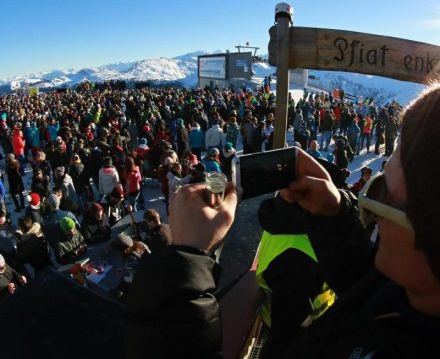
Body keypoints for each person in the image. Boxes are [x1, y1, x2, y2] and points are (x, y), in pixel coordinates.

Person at [125, 82, 440, 359]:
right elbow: (371, 290)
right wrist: (333, 216)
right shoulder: (413, 296)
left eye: (384, 192)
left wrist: (183, 268)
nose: (369, 209)